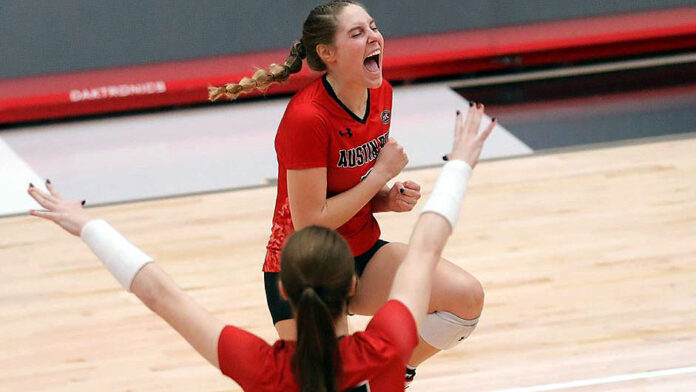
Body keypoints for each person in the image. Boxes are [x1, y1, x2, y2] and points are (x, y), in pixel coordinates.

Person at [27, 102, 495, 391]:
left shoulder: (262, 370)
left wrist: (87, 224)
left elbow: (158, 293)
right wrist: (460, 162)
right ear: (352, 284)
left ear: (284, 293)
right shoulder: (389, 345)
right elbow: (428, 243)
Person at [209, 1, 488, 384]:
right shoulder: (307, 118)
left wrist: (384, 198)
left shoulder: (382, 94)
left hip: (361, 253)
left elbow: (350, 183)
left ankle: (396, 372)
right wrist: (379, 177)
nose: (373, 36)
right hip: (307, 271)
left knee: (465, 299)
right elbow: (310, 222)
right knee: (327, 380)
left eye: (373, 27)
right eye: (357, 33)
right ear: (328, 54)